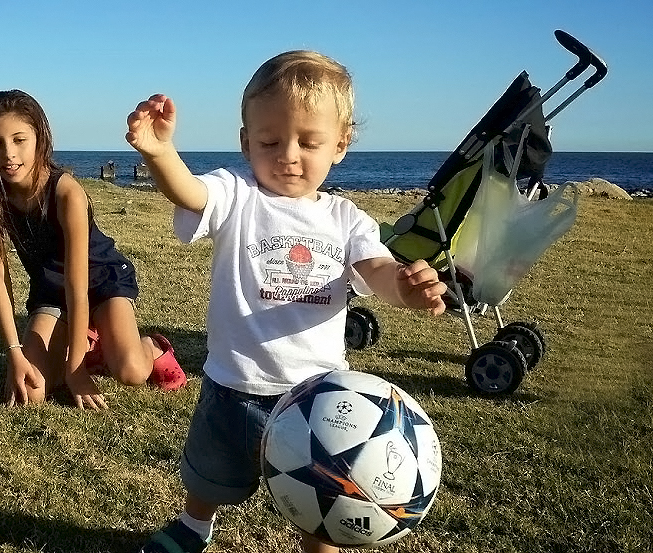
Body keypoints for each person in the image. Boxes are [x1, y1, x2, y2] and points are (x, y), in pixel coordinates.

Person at [125, 51, 447, 552]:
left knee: (322, 500)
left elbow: (375, 270)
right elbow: (190, 194)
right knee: (209, 473)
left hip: (319, 400)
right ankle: (193, 526)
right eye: (269, 141)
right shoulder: (237, 193)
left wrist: (405, 285)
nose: (288, 155)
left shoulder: (346, 219)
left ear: (340, 145)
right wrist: (160, 153)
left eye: (309, 142)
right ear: (245, 142)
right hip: (234, 382)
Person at [0, 89, 186, 411]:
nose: (9, 154)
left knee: (131, 372)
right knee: (33, 393)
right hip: (51, 291)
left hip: (100, 281)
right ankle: (89, 343)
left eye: (19, 140)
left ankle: (150, 345)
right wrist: (14, 352)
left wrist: (76, 370)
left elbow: (78, 284)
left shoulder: (66, 192)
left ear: (39, 138)